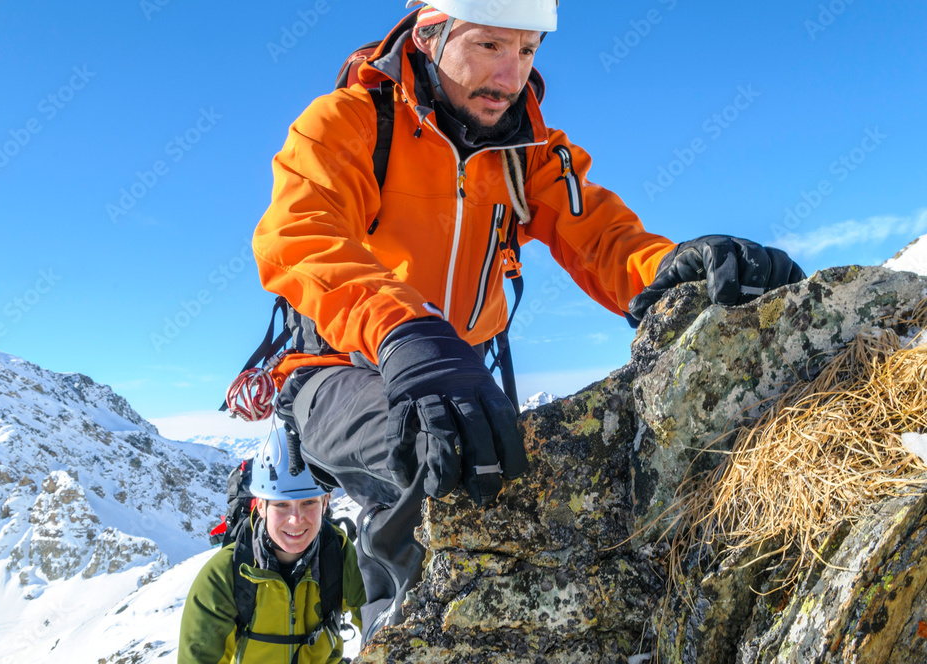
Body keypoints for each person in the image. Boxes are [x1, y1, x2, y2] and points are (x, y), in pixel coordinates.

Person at [250, 0, 804, 641]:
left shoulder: (528, 152)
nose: (512, 77)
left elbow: (599, 235)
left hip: (458, 371)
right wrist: (402, 330)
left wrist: (673, 267)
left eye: (529, 50)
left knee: (490, 478)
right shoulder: (346, 124)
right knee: (431, 462)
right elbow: (301, 238)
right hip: (339, 367)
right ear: (431, 34)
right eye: (490, 46)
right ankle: (412, 643)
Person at [178, 437, 365, 664]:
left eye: (309, 502)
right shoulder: (224, 575)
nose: (296, 520)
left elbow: (381, 614)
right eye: (281, 504)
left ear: (325, 503)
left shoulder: (339, 556)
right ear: (261, 507)